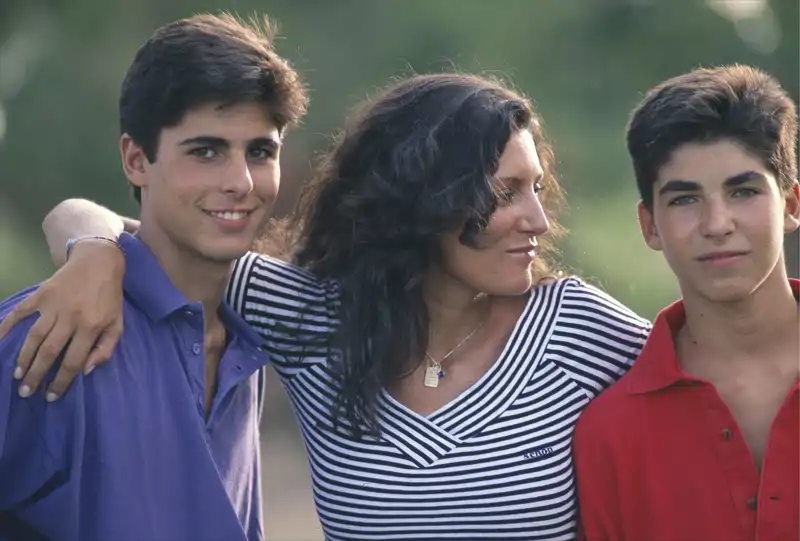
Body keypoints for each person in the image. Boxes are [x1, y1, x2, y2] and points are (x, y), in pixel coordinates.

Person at [1, 73, 650, 540]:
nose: (537, 217)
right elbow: (106, 223)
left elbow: (717, 372)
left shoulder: (576, 326)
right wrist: (92, 250)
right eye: (506, 191)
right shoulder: (311, 317)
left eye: (537, 187)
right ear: (419, 198)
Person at [0, 12, 307, 541]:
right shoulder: (49, 332)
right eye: (206, 151)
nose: (240, 181)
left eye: (260, 152)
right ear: (137, 160)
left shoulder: (246, 340)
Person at [573, 65, 799, 540]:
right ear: (649, 225)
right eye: (684, 200)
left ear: (791, 205)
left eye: (743, 191)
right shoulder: (610, 435)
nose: (717, 223)